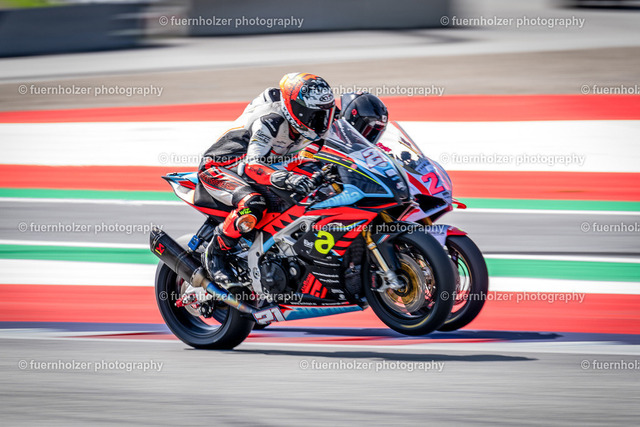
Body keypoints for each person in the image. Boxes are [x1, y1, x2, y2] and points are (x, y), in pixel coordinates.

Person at [198, 72, 336, 284]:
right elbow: (252, 167)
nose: (322, 121)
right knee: (253, 203)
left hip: (268, 166)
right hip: (222, 168)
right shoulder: (270, 121)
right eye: (315, 114)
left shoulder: (316, 121)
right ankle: (215, 254)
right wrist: (286, 179)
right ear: (296, 109)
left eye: (326, 113)